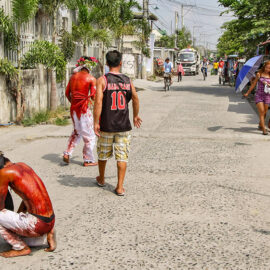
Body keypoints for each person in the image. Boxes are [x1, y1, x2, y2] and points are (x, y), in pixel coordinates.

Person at [94, 50, 142, 196]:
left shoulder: (102, 80)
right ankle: (120, 187)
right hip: (123, 126)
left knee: (103, 154)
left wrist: (96, 122)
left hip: (106, 125)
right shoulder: (127, 80)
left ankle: (101, 179)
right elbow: (135, 98)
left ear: (107, 63)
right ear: (120, 63)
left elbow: (98, 102)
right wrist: (135, 116)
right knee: (122, 156)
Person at [0, 152, 56, 258]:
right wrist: (13, 220)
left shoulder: (4, 173)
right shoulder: (22, 165)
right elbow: (28, 198)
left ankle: (20, 247)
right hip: (50, 221)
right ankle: (48, 234)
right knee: (11, 228)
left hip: (37, 224)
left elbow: (0, 207)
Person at [63, 57, 98, 167]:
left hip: (74, 109)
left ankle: (67, 153)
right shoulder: (91, 78)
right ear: (90, 66)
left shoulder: (73, 77)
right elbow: (93, 96)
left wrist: (74, 102)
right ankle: (88, 160)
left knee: (77, 132)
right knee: (90, 136)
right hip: (83, 109)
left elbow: (67, 93)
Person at [244, 61, 270, 135]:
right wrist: (247, 93)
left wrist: (268, 84)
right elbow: (253, 84)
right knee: (261, 112)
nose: (268, 69)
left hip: (267, 96)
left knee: (265, 113)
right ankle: (264, 129)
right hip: (259, 95)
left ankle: (260, 125)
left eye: (269, 68)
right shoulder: (259, 74)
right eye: (267, 67)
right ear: (264, 66)